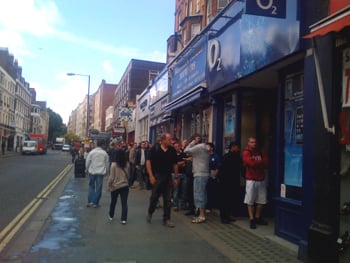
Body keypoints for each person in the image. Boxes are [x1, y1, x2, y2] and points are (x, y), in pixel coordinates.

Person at [146, 133, 179, 228]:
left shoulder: (172, 150)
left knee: (168, 199)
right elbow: (148, 162)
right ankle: (150, 212)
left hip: (168, 176)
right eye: (169, 139)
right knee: (154, 197)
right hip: (157, 176)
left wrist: (176, 177)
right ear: (163, 140)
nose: (171, 141)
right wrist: (151, 176)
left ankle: (167, 219)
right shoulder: (154, 149)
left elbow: (175, 164)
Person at [242, 136, 269, 229]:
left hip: (261, 179)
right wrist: (259, 163)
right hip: (251, 179)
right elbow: (250, 163)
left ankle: (257, 217)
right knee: (250, 200)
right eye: (252, 142)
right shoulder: (246, 152)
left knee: (262, 200)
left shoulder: (261, 151)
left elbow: (266, 163)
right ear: (248, 143)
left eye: (255, 142)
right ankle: (251, 219)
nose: (254, 144)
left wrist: (256, 163)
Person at [184, 133, 210, 223]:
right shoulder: (204, 148)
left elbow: (186, 150)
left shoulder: (199, 147)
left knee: (199, 194)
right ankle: (201, 212)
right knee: (202, 193)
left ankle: (201, 216)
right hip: (204, 173)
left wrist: (192, 142)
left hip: (199, 174)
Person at [218, 141, 241, 224]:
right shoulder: (227, 157)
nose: (238, 149)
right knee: (225, 200)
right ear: (233, 147)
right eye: (237, 147)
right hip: (226, 182)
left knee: (229, 200)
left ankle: (227, 216)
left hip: (231, 181)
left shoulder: (235, 156)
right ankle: (224, 217)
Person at [107, 146, 129, 224]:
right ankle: (123, 219)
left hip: (115, 186)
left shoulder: (113, 165)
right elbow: (128, 175)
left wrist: (109, 186)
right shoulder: (127, 164)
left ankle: (111, 215)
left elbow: (111, 177)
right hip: (125, 186)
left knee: (113, 202)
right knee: (124, 203)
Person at [85, 140, 110, 208]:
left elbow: (87, 162)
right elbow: (107, 163)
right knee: (99, 188)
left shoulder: (92, 152)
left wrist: (86, 169)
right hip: (101, 172)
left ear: (96, 144)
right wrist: (107, 172)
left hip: (92, 172)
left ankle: (90, 202)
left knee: (91, 186)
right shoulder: (105, 153)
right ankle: (95, 203)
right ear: (102, 145)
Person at [206, 143, 221, 213]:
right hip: (206, 175)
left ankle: (211, 206)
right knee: (206, 191)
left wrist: (214, 176)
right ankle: (207, 206)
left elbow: (218, 167)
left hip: (212, 176)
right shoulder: (206, 156)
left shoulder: (215, 156)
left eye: (208, 146)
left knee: (211, 191)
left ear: (211, 148)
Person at [172, 142, 187, 211]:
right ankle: (175, 205)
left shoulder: (183, 154)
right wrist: (180, 163)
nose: (176, 148)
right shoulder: (172, 155)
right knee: (176, 191)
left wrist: (178, 163)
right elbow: (173, 164)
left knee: (184, 191)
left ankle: (183, 205)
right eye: (175, 146)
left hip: (184, 174)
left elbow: (186, 162)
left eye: (178, 146)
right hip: (175, 175)